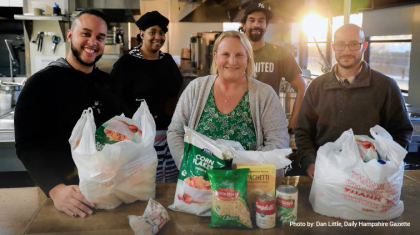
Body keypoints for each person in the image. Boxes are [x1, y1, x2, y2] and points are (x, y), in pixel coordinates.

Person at [14, 9, 122, 218]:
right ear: (70, 35)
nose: (93, 42)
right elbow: (26, 145)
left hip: (106, 193)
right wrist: (54, 188)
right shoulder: (41, 84)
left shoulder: (109, 85)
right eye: (86, 34)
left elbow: (117, 135)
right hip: (61, 197)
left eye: (100, 37)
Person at [294, 24, 413, 179]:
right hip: (324, 175)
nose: (346, 50)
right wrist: (310, 162)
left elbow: (401, 132)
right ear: (333, 47)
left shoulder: (386, 87)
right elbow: (303, 130)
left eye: (353, 44)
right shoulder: (317, 86)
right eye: (340, 44)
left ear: (364, 46)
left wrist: (383, 165)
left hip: (369, 179)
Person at [167, 31, 289, 168]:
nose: (232, 61)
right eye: (225, 54)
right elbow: (175, 132)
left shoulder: (265, 94)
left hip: (247, 184)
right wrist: (188, 165)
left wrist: (240, 172)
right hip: (199, 183)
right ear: (215, 56)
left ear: (247, 58)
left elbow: (279, 143)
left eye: (239, 55)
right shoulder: (196, 88)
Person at [111, 11, 183, 183]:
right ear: (142, 34)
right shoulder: (127, 63)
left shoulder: (167, 60)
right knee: (146, 183)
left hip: (170, 134)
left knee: (170, 183)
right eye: (153, 32)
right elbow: (114, 98)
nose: (158, 36)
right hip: (142, 137)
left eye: (162, 32)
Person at [240, 2, 307, 133]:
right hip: (240, 123)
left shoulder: (280, 53)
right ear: (244, 25)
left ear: (266, 26)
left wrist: (292, 125)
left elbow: (302, 88)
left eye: (261, 20)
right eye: (252, 20)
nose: (256, 24)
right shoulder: (235, 54)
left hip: (270, 126)